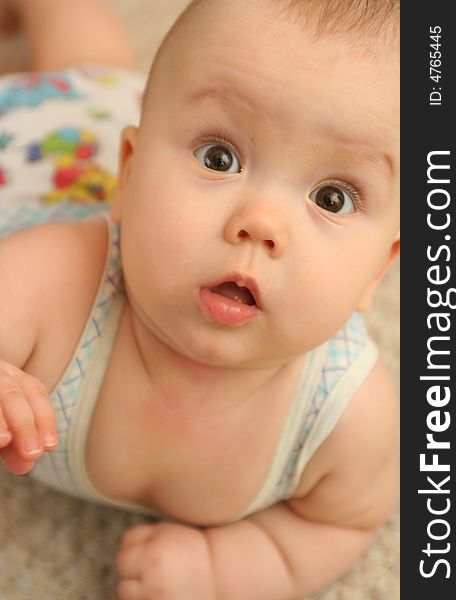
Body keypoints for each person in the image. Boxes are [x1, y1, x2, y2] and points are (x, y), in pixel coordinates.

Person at [0, 0, 400, 598]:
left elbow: (338, 523)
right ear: (130, 179)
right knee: (87, 70)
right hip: (42, 148)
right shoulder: (53, 282)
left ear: (378, 272)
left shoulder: (345, 420)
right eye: (220, 157)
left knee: (112, 78)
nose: (260, 222)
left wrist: (225, 569)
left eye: (333, 198)